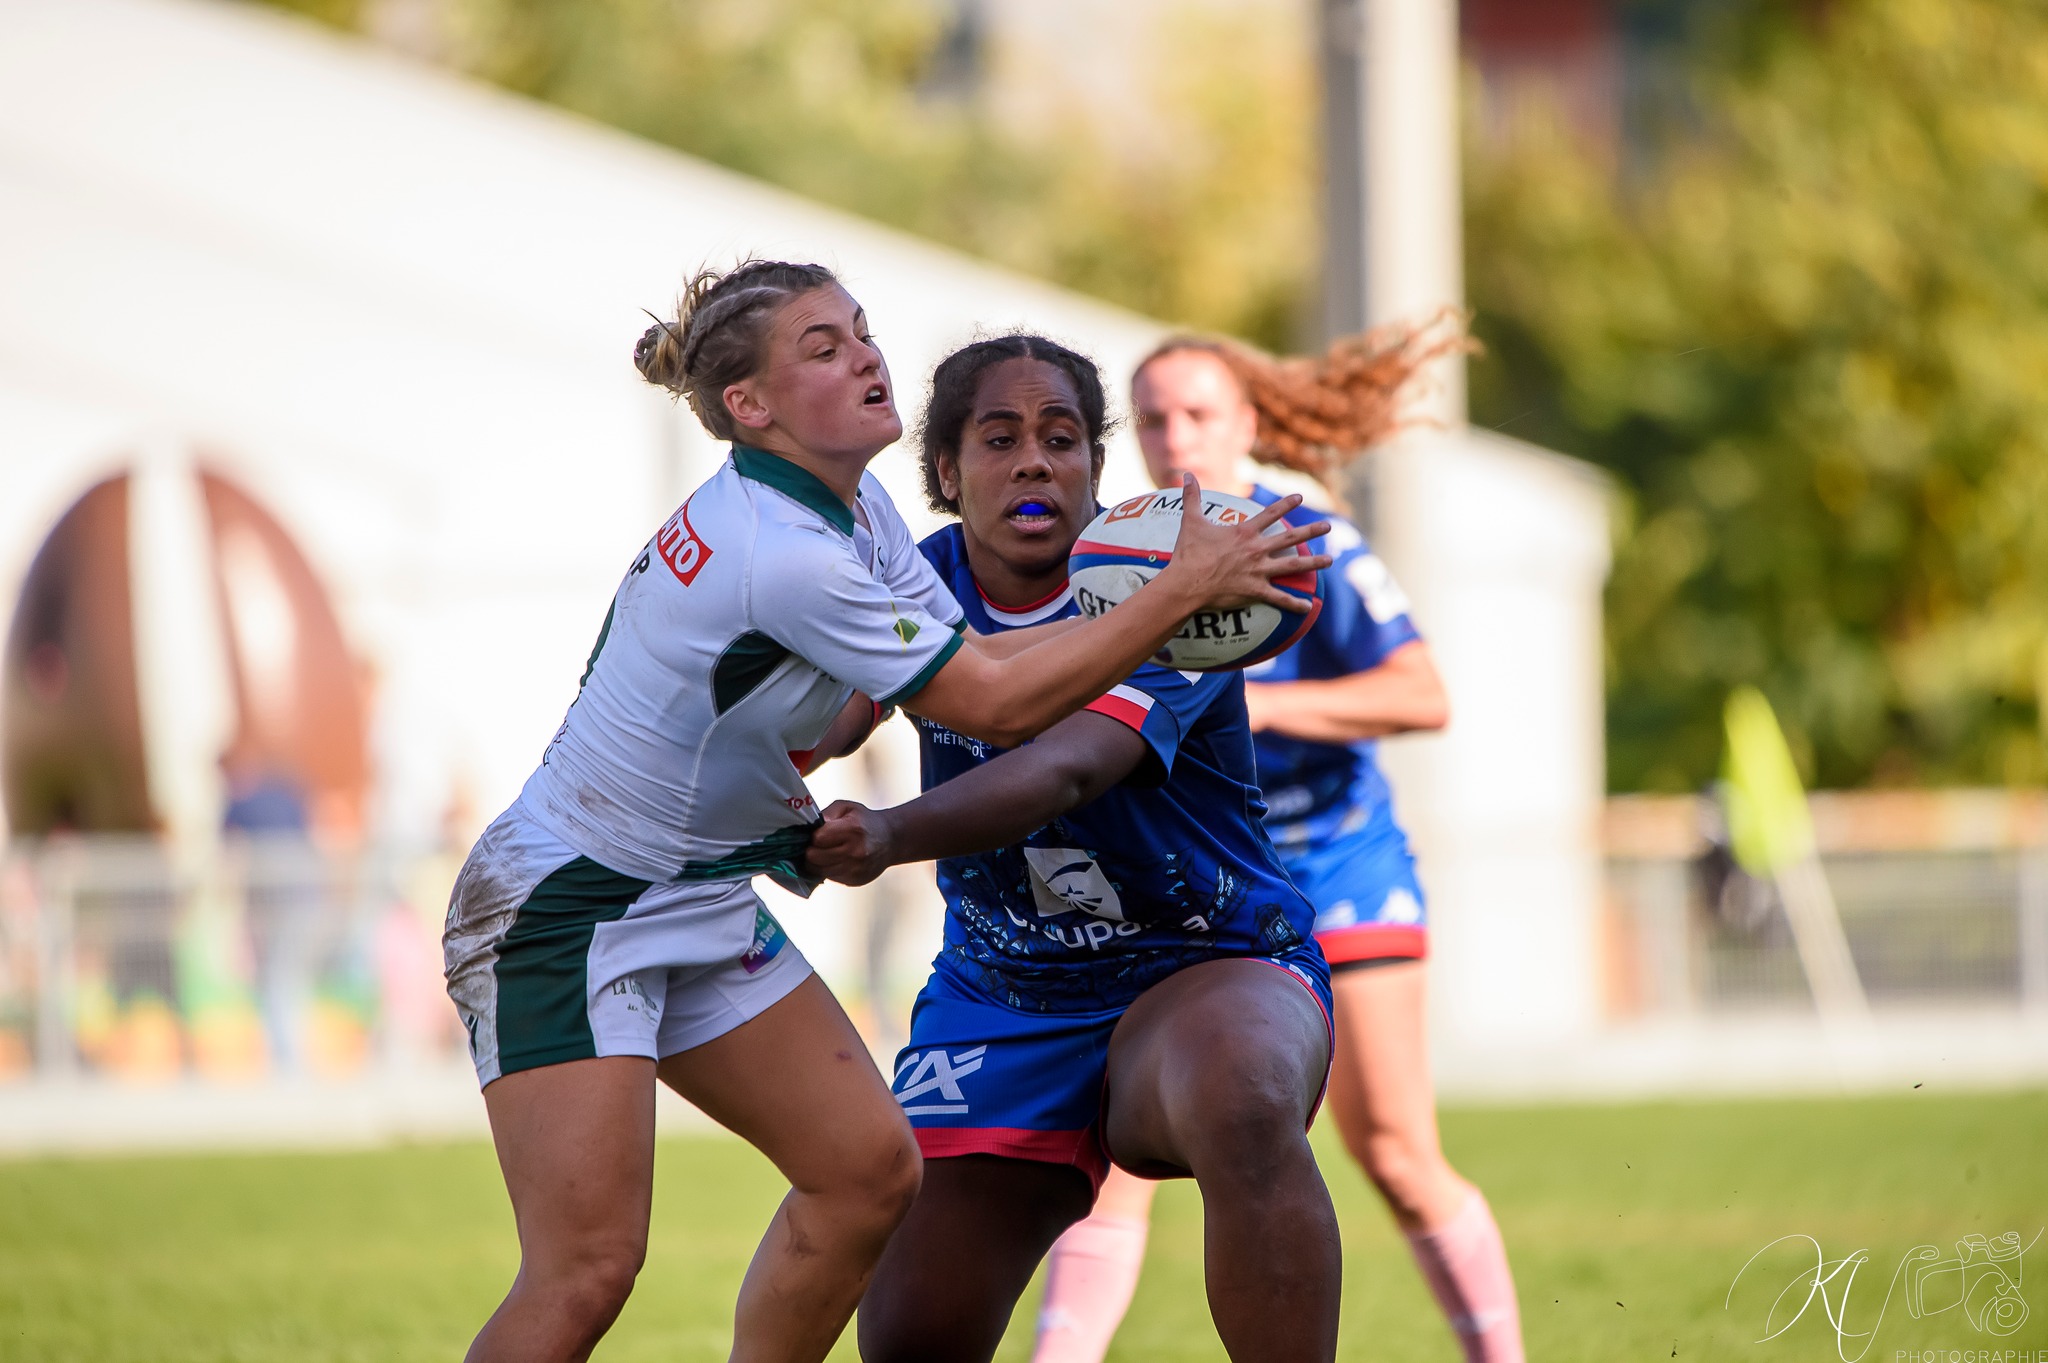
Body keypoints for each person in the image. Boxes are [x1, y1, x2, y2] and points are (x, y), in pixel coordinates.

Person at [440, 261, 1330, 1363]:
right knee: (585, 1269)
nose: (864, 354)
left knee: (865, 1171)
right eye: (822, 347)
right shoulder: (787, 554)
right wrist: (1177, 595)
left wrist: (1166, 597)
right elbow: (991, 700)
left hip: (717, 891)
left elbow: (970, 687)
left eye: (859, 332)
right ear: (749, 408)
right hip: (579, 900)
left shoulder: (856, 512)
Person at [803, 334, 1354, 1363]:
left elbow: (1068, 767)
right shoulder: (914, 589)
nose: (1033, 462)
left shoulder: (1169, 582)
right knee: (915, 1332)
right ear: (943, 472)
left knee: (1240, 1093)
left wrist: (884, 834)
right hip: (1002, 993)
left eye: (1061, 439)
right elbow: (818, 723)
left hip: (1203, 966)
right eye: (999, 437)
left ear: (1095, 470)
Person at [1027, 330, 1527, 1363]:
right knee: (1113, 1157)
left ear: (1248, 425)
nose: (1176, 440)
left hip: (1336, 869)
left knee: (1390, 1148)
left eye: (1200, 414)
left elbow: (1420, 692)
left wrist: (1262, 708)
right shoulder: (1116, 558)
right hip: (1199, 894)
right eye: (1154, 419)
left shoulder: (1311, 541)